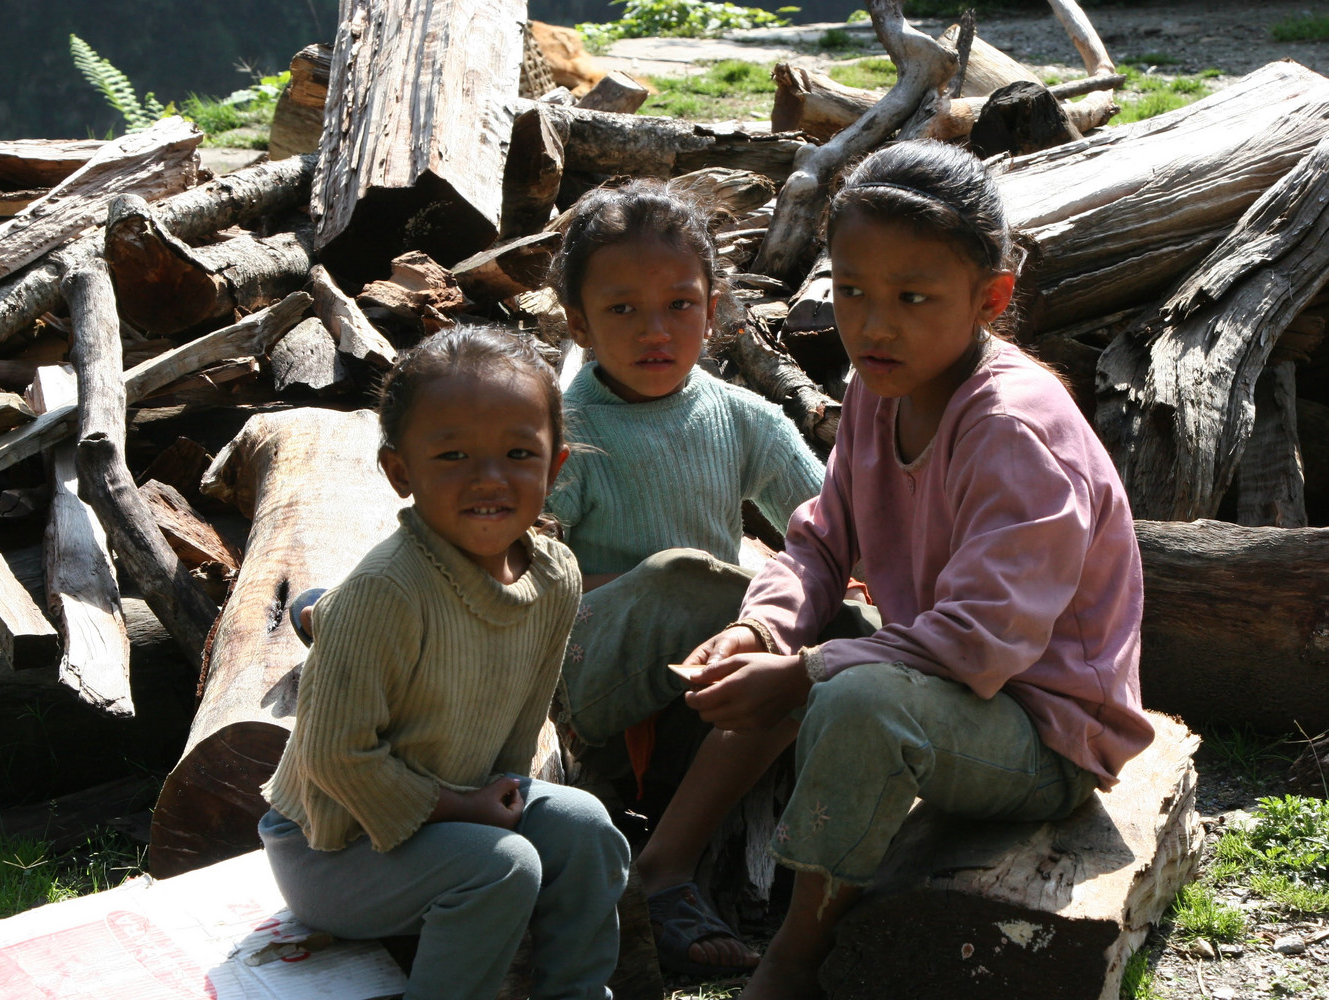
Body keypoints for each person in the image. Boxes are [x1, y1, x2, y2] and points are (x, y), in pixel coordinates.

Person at [679, 140, 1156, 997]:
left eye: (912, 297)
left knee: (852, 697)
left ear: (991, 299)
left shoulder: (1011, 429)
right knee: (784, 644)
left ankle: (795, 954)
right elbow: (821, 542)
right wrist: (762, 631)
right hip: (944, 684)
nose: (873, 325)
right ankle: (660, 871)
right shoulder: (879, 389)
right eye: (852, 291)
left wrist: (806, 672)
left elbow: (981, 643)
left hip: (1045, 730)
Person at [259, 325, 630, 1000]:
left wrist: (497, 798)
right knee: (503, 866)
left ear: (554, 467)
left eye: (519, 453)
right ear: (401, 472)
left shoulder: (554, 577)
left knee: (587, 829)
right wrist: (465, 809)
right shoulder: (386, 591)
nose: (489, 478)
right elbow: (334, 758)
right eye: (453, 455)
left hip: (457, 812)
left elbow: (520, 726)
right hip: (332, 847)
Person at [545, 179, 844, 977]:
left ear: (712, 311)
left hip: (712, 688)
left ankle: (673, 861)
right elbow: (516, 569)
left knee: (832, 643)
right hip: (596, 686)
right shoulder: (564, 429)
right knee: (685, 579)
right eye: (622, 309)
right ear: (578, 323)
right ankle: (665, 867)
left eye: (679, 305)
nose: (655, 330)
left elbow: (834, 531)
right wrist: (643, 584)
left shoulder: (742, 417)